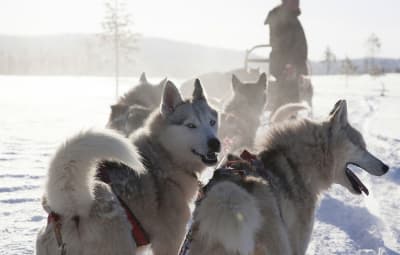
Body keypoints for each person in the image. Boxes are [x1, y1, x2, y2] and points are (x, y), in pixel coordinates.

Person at [264, 0, 308, 81]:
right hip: (286, 69)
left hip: (296, 67)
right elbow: (278, 43)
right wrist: (289, 64)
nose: (297, 2)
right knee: (285, 92)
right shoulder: (280, 17)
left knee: (299, 92)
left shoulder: (292, 18)